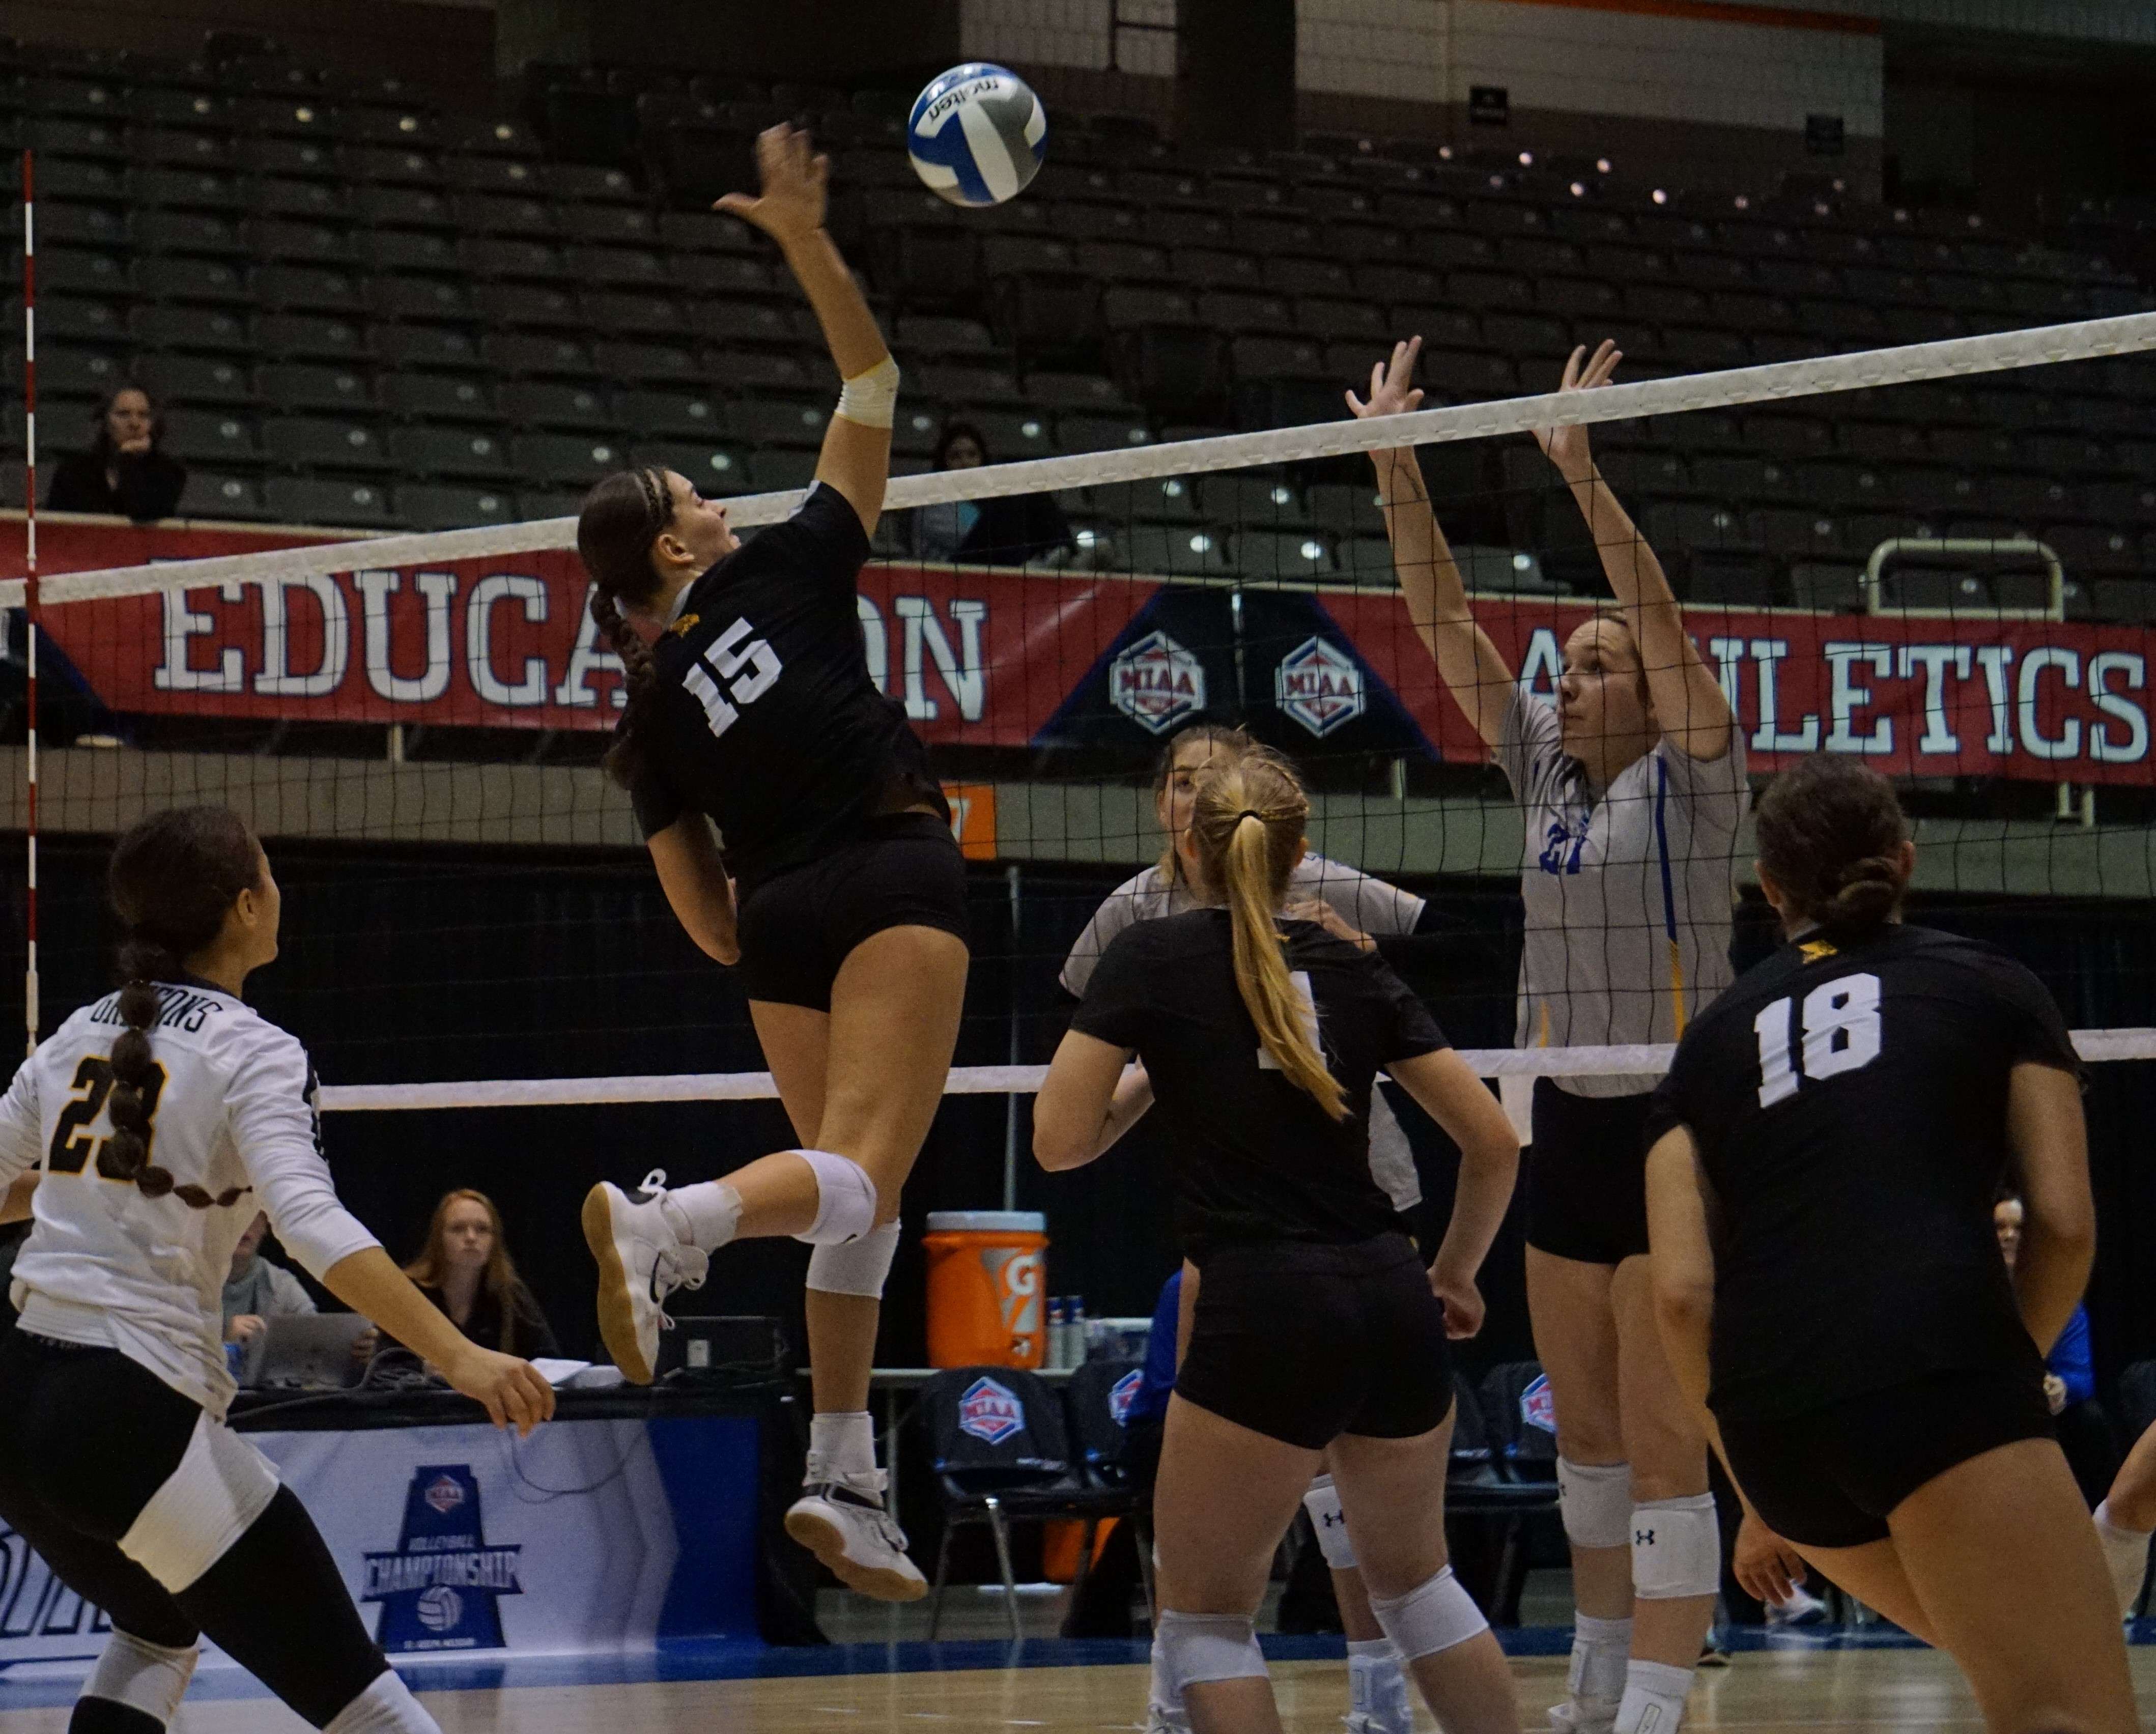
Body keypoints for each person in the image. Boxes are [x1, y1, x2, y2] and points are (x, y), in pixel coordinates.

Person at [573, 125, 967, 1604]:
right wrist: (805, 237)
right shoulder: (782, 568)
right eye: (696, 494)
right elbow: (871, 387)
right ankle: (675, 1223)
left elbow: (707, 919)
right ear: (675, 549)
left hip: (785, 917)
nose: (717, 501)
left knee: (847, 1190)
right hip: (891, 872)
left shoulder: (649, 712)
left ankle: (843, 1472)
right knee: (858, 1173)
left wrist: (777, 932)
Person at [1357, 335, 1744, 1734]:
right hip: (1563, 1116)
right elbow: (1441, 617)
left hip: (1674, 1121)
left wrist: (1581, 475)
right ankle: (1589, 1684)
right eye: (1565, 664)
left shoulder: (1699, 779)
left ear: (1648, 690)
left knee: (1657, 1445)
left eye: (1592, 664)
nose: (1566, 678)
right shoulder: (1544, 772)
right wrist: (1395, 465)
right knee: (1581, 1444)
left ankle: (1650, 1699)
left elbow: (1661, 624)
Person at [0, 805, 554, 1734]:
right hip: (123, 1408)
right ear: (248, 906)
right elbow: (310, 1225)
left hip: (16, 1399)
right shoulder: (255, 1048)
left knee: (157, 1628)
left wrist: (76, 1179)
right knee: (363, 1702)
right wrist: (461, 1355)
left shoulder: (72, 1035)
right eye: (272, 874)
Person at [1643, 756, 2135, 1734]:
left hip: (1773, 1427)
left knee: (2015, 1662)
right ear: (1905, 860)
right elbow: (2067, 1223)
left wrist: (1751, 1486)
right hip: (1932, 1372)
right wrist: (1992, 1384)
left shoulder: (1704, 1044)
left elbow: (1682, 1295)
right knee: (2064, 1710)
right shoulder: (1992, 984)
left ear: (1768, 888)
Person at [1036, 752, 1523, 1734]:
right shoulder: (1354, 965)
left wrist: (1159, 1072)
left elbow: (1058, 1141)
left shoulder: (1149, 954)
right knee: (1420, 1585)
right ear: (1301, 852)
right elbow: (1494, 1142)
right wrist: (1455, 1271)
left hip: (1262, 1302)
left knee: (1209, 1618)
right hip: (1391, 1291)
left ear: (1194, 849)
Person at [1996, 1190, 2116, 1503]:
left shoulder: (2059, 1296)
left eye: (2019, 1228)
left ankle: (2100, 1516)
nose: (2009, 1236)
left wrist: (2060, 1388)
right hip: (1988, 1406)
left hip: (2042, 1406)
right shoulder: (1968, 1297)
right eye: (2000, 1227)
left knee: (2090, 1419)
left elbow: (2081, 1376)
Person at [394, 1189, 559, 1359]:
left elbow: (547, 1359)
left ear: (495, 1240)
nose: (471, 1237)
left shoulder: (509, 1292)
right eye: (458, 1229)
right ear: (438, 1239)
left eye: (482, 1229)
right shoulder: (409, 1291)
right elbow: (384, 1365)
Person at [907, 419, 1072, 565]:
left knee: (1032, 490)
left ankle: (1069, 554)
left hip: (995, 563)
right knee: (1015, 492)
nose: (965, 462)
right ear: (944, 463)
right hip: (954, 573)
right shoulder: (932, 502)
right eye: (956, 456)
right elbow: (974, 539)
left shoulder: (988, 500)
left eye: (972, 455)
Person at [46, 385, 187, 522]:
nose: (134, 423)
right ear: (106, 422)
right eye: (123, 414)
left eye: (143, 415)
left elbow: (143, 511)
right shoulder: (73, 472)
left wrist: (128, 458)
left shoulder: (170, 472)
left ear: (153, 423)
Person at [220, 1209, 317, 1346]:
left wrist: (352, 1348)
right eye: (232, 1213)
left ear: (266, 1225)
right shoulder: (188, 1278)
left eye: (253, 1213)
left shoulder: (280, 1284)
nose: (244, 1223)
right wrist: (225, 1347)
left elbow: (316, 1335)